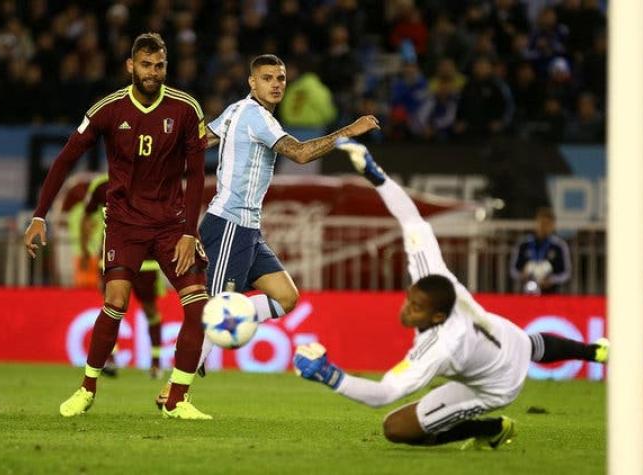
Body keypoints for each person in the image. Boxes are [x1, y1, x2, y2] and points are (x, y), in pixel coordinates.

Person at [293, 139, 608, 448]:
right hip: (504, 335)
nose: (406, 311)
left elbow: (384, 394)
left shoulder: (441, 345)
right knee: (531, 344)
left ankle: (493, 428)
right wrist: (377, 176)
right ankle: (596, 351)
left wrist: (329, 375)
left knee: (397, 429)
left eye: (416, 309)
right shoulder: (433, 276)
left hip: (496, 386)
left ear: (438, 317)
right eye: (410, 300)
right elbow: (411, 219)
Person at [156, 53, 379, 406]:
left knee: (286, 296)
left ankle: (224, 331)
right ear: (252, 82)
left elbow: (199, 142)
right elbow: (301, 154)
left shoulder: (235, 111)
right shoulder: (255, 116)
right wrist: (348, 132)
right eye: (267, 78)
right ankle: (174, 395)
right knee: (211, 310)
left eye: (280, 78)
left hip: (248, 229)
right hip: (229, 224)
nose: (276, 84)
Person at [24, 33, 211, 420]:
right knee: (116, 302)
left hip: (172, 226)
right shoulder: (108, 109)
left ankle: (176, 399)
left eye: (159, 65)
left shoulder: (186, 109)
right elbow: (63, 160)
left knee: (198, 307)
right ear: (131, 65)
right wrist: (40, 215)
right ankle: (87, 388)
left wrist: (191, 232)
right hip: (125, 224)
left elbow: (196, 176)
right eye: (145, 65)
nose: (153, 73)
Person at [79, 173, 167, 380]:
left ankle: (155, 364)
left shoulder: (150, 179)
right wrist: (84, 250)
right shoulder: (101, 185)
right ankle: (110, 358)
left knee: (150, 310)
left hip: (147, 259)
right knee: (112, 307)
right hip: (114, 256)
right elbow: (86, 216)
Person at [510, 207, 571, 294]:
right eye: (542, 223)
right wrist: (522, 275)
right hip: (526, 291)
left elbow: (566, 273)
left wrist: (552, 280)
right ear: (536, 223)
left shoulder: (559, 246)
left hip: (551, 292)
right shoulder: (524, 244)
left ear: (553, 226)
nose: (544, 227)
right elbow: (513, 270)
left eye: (547, 224)